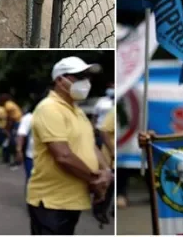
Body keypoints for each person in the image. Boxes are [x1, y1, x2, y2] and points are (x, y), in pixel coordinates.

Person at [26, 56, 112, 235]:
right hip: (52, 201)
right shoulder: (49, 108)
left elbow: (90, 145)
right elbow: (63, 156)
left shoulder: (78, 111)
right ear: (59, 80)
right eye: (79, 76)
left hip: (72, 199)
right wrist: (94, 180)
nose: (85, 82)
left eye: (87, 77)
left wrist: (106, 171)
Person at [17, 105, 36, 182]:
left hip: (47, 158)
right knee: (31, 179)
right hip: (31, 155)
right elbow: (21, 134)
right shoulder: (29, 118)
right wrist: (19, 150)